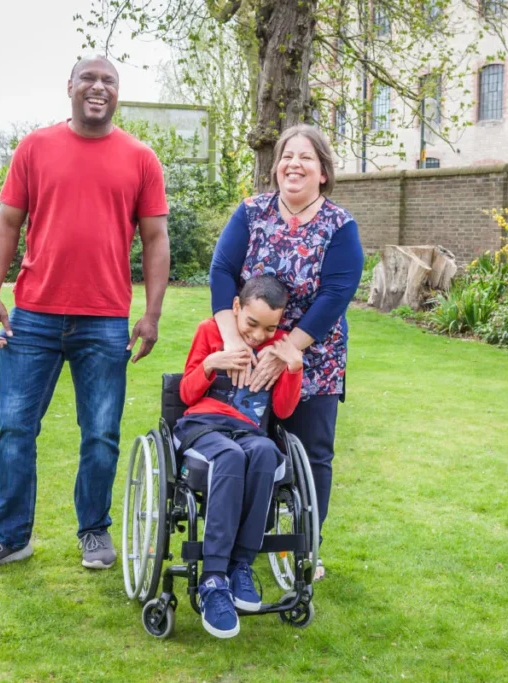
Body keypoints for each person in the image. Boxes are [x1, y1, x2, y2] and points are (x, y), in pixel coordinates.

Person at [0, 55, 170, 577]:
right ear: (69, 87)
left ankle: (93, 529)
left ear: (119, 92)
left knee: (100, 434)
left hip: (105, 320)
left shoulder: (140, 158)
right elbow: (6, 224)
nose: (99, 88)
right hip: (34, 319)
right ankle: (10, 537)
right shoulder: (35, 148)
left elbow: (156, 237)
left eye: (109, 81)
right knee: (14, 429)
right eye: (89, 79)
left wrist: (152, 314)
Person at [208, 124, 364, 582]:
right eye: (286, 156)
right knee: (246, 446)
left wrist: (289, 348)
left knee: (312, 455)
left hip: (313, 357)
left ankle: (304, 549)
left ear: (323, 172)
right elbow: (221, 270)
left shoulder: (339, 226)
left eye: (306, 158)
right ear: (276, 167)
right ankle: (238, 543)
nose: (294, 164)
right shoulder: (252, 212)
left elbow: (336, 294)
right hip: (247, 351)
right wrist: (233, 339)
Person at [174, 275, 303, 638]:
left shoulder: (277, 347)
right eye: (252, 323)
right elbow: (185, 393)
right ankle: (213, 578)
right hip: (203, 427)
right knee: (229, 458)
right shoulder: (210, 332)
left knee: (264, 453)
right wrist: (211, 363)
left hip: (250, 432)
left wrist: (294, 368)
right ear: (236, 309)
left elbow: (284, 408)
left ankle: (240, 566)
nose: (259, 335)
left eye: (270, 328)